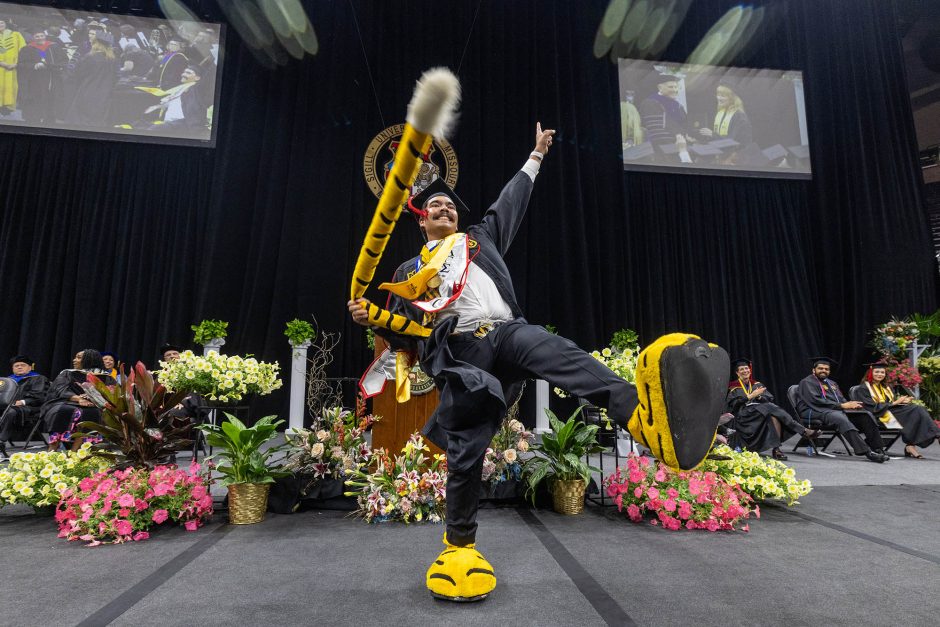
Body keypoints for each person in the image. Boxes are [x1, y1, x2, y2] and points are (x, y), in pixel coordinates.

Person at [349, 121, 726, 602]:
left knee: (557, 351)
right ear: (421, 221)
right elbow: (399, 328)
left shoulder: (479, 242)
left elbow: (510, 202)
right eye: (434, 207)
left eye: (449, 205)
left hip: (506, 332)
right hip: (463, 354)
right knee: (467, 449)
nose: (443, 208)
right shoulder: (405, 273)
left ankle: (644, 421)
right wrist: (371, 318)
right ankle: (458, 547)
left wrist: (536, 156)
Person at [795, 357, 889, 462]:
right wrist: (842, 406)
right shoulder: (807, 382)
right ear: (814, 370)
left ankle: (878, 448)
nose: (823, 371)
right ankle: (867, 452)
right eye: (820, 368)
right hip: (813, 410)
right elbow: (815, 401)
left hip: (833, 409)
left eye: (826, 369)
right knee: (840, 418)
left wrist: (850, 404)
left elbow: (841, 399)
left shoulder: (832, 383)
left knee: (865, 415)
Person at [726, 358, 818, 460]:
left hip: (759, 413)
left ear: (750, 370)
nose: (745, 371)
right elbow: (732, 405)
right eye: (742, 369)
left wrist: (760, 397)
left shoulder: (757, 384)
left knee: (774, 416)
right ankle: (802, 430)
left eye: (746, 368)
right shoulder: (733, 387)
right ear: (737, 373)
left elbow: (769, 398)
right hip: (743, 415)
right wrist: (750, 396)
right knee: (770, 407)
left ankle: (776, 449)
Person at [855, 362, 940, 459]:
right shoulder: (863, 388)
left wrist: (902, 402)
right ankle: (934, 436)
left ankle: (911, 445)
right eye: (877, 372)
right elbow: (870, 407)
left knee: (917, 409)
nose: (880, 374)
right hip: (878, 417)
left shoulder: (887, 387)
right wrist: (896, 403)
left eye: (882, 372)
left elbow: (891, 403)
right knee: (915, 410)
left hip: (891, 413)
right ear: (870, 373)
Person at [40, 349, 114, 451]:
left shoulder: (106, 377)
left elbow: (111, 394)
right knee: (65, 410)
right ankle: (52, 449)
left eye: (79, 358)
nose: (74, 360)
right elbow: (60, 390)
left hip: (94, 405)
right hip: (66, 401)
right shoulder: (68, 373)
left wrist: (94, 399)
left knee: (90, 413)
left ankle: (74, 453)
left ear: (89, 360)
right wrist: (79, 398)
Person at [0, 355, 50, 459]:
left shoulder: (38, 378)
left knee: (11, 411)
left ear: (30, 367)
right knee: (9, 409)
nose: (19, 367)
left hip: (30, 407)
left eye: (22, 365)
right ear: (13, 368)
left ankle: (1, 441)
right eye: (16, 365)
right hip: (6, 406)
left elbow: (40, 396)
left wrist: (22, 402)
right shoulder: (7, 381)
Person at [638, 73, 694, 162]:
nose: (675, 90)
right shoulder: (650, 103)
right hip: (663, 154)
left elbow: (685, 127)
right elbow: (657, 134)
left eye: (676, 87)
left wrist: (689, 138)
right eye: (671, 87)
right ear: (660, 87)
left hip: (681, 149)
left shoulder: (678, 106)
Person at [65, 30, 116, 126]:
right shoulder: (112, 59)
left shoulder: (90, 57)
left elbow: (77, 73)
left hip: (88, 90)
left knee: (82, 119)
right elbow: (116, 76)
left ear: (96, 43)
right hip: (105, 92)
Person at [698, 81, 755, 165]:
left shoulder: (739, 116)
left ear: (732, 98)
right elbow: (719, 138)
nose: (719, 98)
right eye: (718, 95)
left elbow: (732, 141)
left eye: (723, 96)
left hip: (736, 158)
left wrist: (712, 134)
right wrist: (699, 140)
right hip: (722, 154)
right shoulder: (721, 112)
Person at [16, 30, 64, 124]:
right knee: (35, 100)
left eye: (41, 35)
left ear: (45, 36)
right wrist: (34, 65)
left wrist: (52, 66)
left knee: (50, 99)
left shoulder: (54, 47)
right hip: (34, 80)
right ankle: (34, 119)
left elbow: (63, 61)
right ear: (33, 38)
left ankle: (49, 119)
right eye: (37, 36)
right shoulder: (27, 49)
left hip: (51, 79)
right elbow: (21, 64)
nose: (40, 38)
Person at [0, 18, 26, 115]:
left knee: (12, 86)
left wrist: (17, 63)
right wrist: (2, 63)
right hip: (0, 67)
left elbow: (23, 50)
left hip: (14, 66)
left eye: (1, 22)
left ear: (6, 23)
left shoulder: (16, 35)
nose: (0, 24)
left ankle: (8, 107)